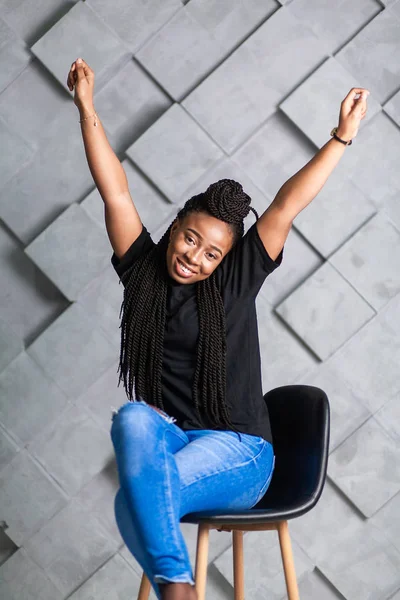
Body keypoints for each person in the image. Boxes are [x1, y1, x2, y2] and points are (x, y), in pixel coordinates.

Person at [67, 57, 369, 600]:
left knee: (134, 496)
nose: (195, 258)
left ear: (226, 258)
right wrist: (87, 108)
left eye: (212, 253)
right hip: (175, 438)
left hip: (241, 453)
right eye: (189, 240)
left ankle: (178, 592)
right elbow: (114, 190)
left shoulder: (235, 280)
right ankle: (180, 587)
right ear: (174, 227)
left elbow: (286, 203)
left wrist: (340, 138)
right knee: (133, 418)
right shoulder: (141, 272)